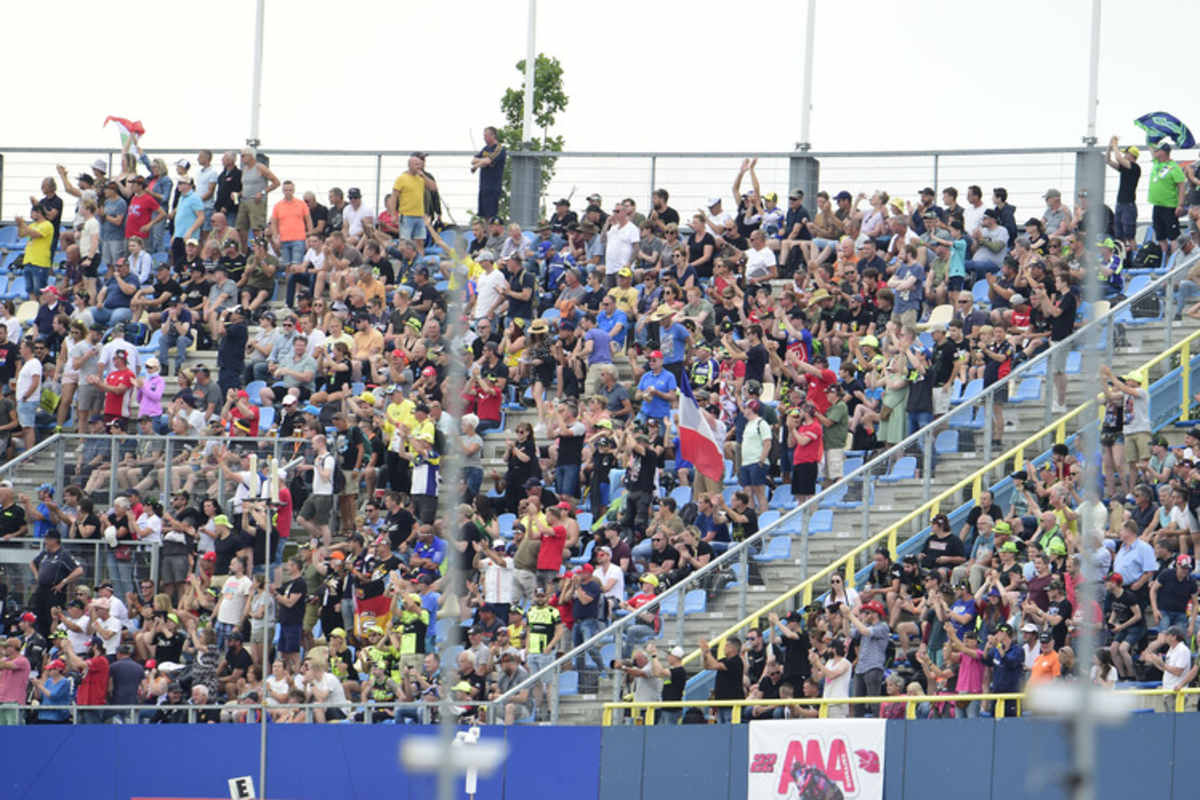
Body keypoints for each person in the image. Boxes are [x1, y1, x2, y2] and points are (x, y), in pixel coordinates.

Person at [699, 636, 743, 723]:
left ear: (733, 648)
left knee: (729, 727)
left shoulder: (736, 661)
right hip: (721, 703)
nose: (724, 648)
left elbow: (716, 665)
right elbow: (707, 666)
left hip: (731, 704)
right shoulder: (724, 660)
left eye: (726, 645)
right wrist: (704, 656)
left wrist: (707, 652)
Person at [471, 126, 507, 219]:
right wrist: (481, 162)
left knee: (491, 215)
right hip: (483, 186)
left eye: (486, 136)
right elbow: (473, 160)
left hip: (493, 187)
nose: (484, 138)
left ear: (493, 136)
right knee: (483, 215)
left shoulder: (499, 149)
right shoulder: (485, 149)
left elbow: (489, 161)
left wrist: (477, 165)